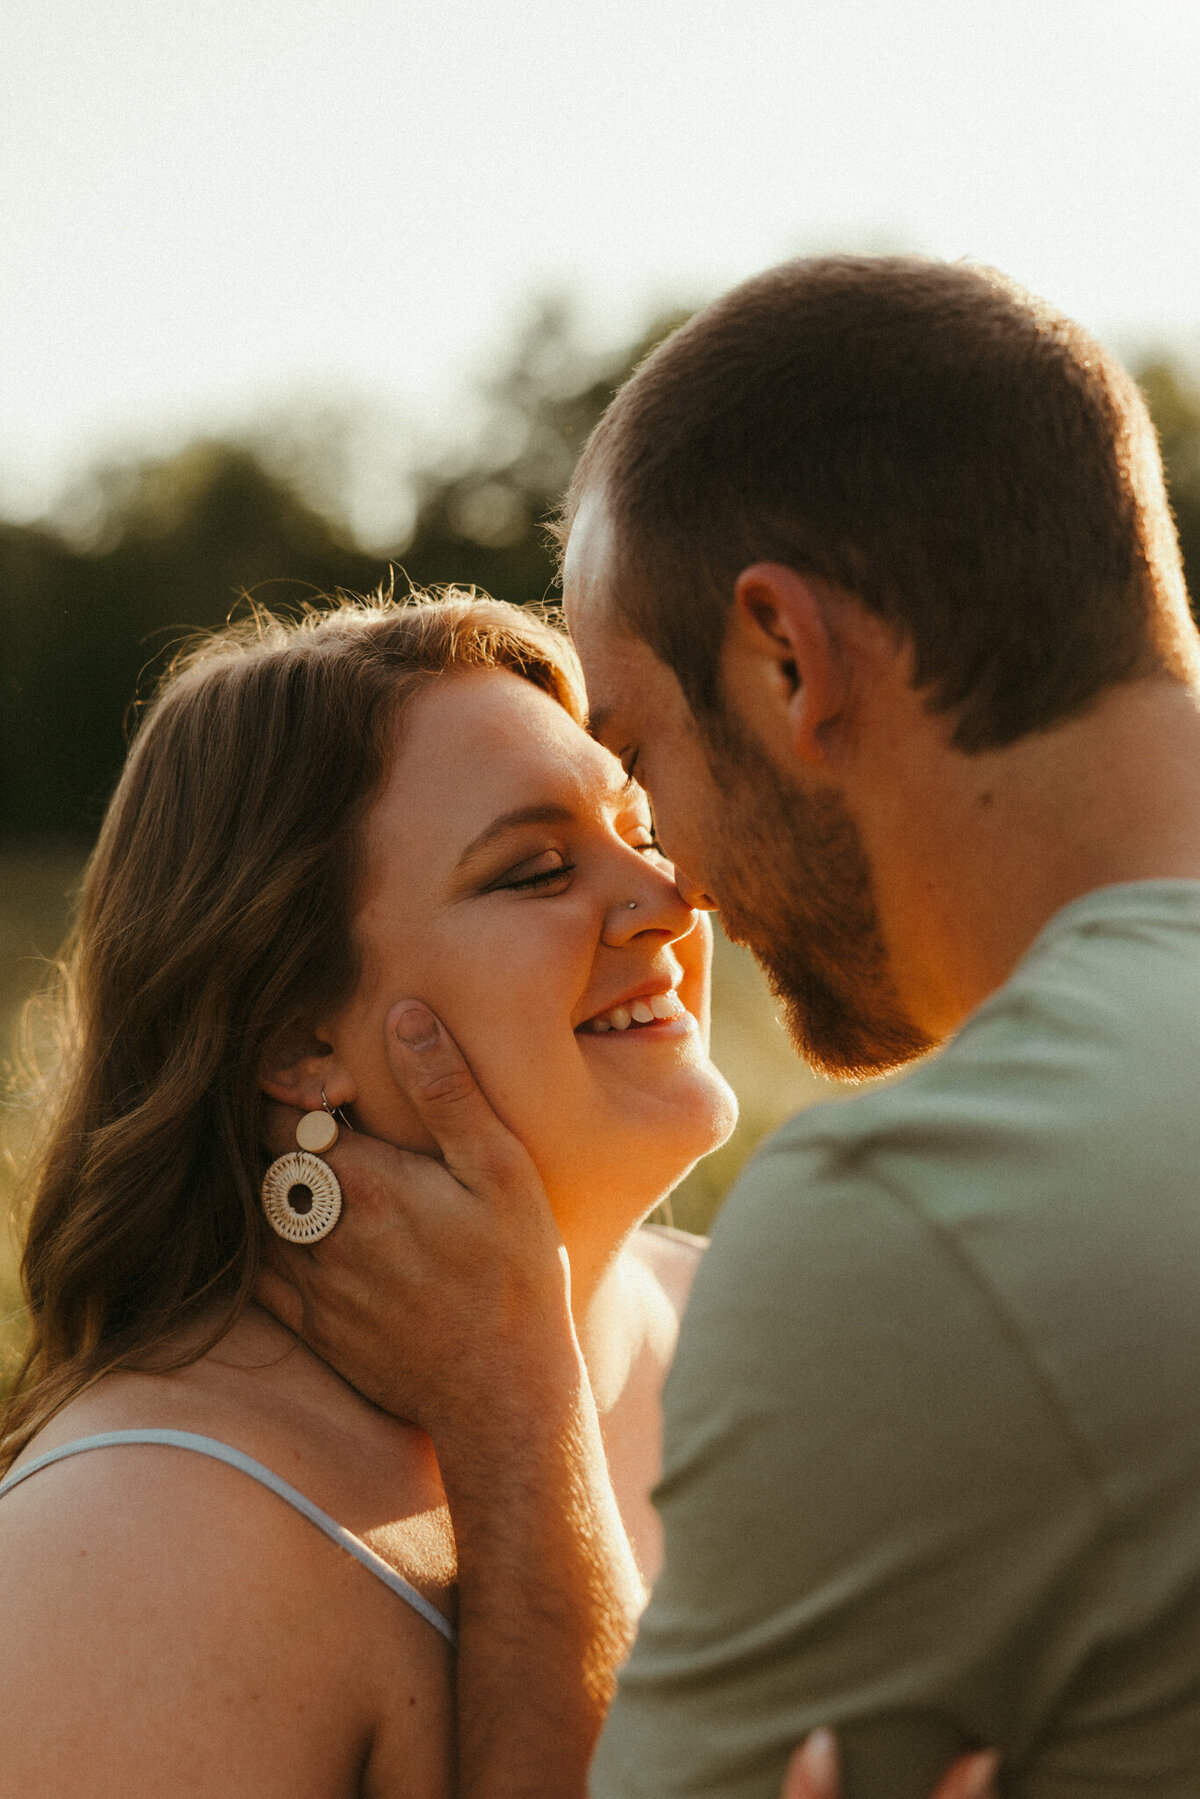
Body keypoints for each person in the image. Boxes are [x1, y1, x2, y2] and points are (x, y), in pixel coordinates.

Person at [260, 256, 1200, 1798]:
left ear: (787, 656)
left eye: (639, 753)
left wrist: (517, 1422)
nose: (673, 885)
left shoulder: (926, 1218)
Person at [0, 592, 743, 1795]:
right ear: (299, 1036)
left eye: (641, 828)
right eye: (539, 868)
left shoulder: (779, 1326)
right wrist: (517, 1412)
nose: (672, 896)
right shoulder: (130, 1550)